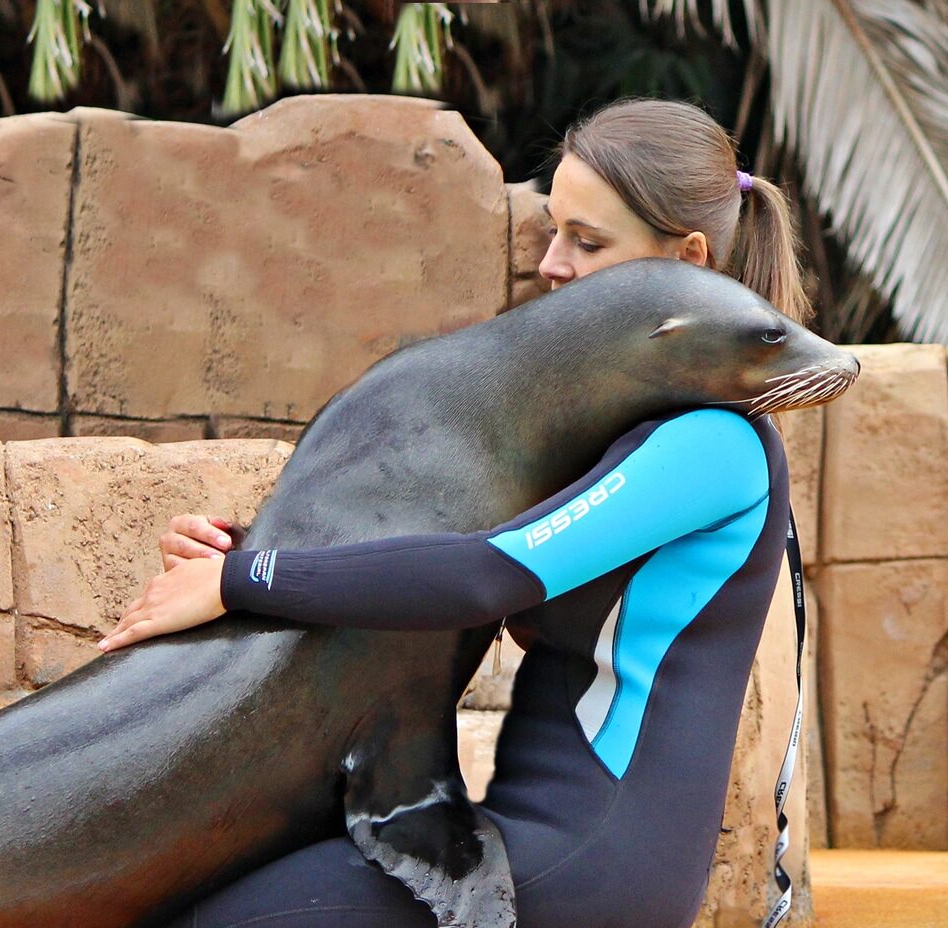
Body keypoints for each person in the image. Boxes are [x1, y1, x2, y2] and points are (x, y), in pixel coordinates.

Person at [97, 98, 812, 928]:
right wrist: (246, 546)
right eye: (552, 231)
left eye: (588, 242)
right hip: (537, 841)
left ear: (683, 260)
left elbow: (483, 576)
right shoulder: (632, 429)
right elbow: (448, 566)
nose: (551, 264)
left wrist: (244, 579)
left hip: (585, 860)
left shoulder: (713, 443)